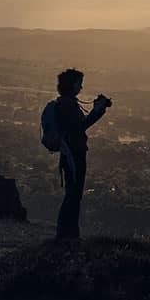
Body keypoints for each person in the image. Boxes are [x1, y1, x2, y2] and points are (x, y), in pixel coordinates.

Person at [53, 68, 111, 240]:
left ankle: (67, 233)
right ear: (71, 85)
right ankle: (67, 234)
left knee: (73, 194)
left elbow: (79, 126)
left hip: (71, 152)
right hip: (73, 154)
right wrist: (97, 110)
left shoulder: (66, 102)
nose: (81, 87)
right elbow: (80, 127)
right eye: (79, 83)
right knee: (74, 194)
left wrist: (98, 110)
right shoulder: (68, 104)